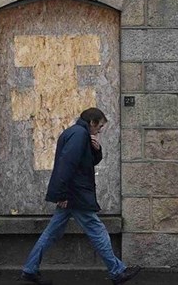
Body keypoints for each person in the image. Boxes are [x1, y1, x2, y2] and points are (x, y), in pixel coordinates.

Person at [20, 107, 141, 285]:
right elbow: (66, 165)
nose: (99, 131)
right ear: (91, 122)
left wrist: (97, 150)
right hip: (75, 195)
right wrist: (62, 194)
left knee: (51, 232)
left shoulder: (75, 133)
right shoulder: (79, 135)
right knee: (97, 231)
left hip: (71, 194)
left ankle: (30, 269)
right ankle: (117, 272)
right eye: (99, 127)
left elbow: (85, 162)